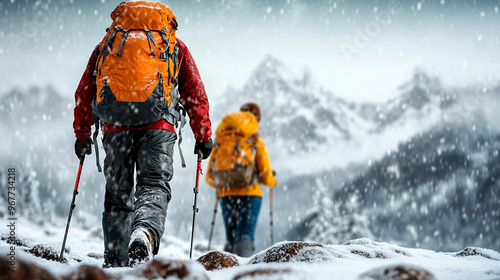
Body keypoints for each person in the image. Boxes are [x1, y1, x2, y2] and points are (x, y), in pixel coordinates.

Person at [73, 1, 213, 267]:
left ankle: (115, 262)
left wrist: (82, 134)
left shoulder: (109, 45)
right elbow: (194, 93)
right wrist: (203, 135)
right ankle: (144, 234)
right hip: (159, 126)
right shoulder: (173, 45)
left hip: (115, 128)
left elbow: (85, 92)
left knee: (117, 196)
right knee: (153, 185)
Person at [206, 103, 277, 257]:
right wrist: (273, 181)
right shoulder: (254, 140)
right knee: (244, 235)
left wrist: (227, 181)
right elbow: (265, 175)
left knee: (231, 238)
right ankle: (242, 273)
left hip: (225, 194)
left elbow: (210, 177)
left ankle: (225, 270)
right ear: (256, 119)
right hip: (250, 193)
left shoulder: (221, 139)